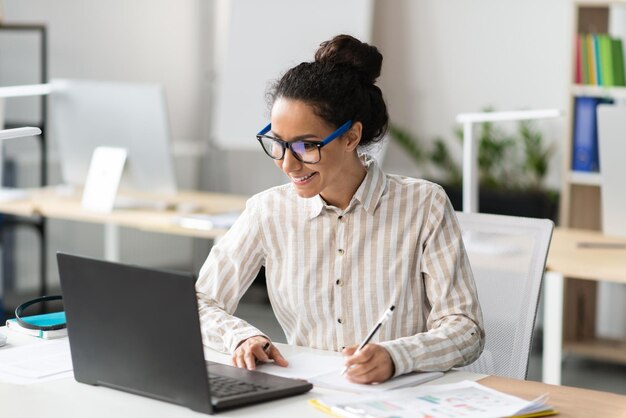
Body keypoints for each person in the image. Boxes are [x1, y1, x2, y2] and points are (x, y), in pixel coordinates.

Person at [196, 34, 484, 384]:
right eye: (277, 143)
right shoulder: (267, 211)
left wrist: (397, 356)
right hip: (310, 394)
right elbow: (198, 302)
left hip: (397, 397)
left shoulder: (424, 205)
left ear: (350, 137)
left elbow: (466, 330)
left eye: (307, 145)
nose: (288, 164)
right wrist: (240, 336)